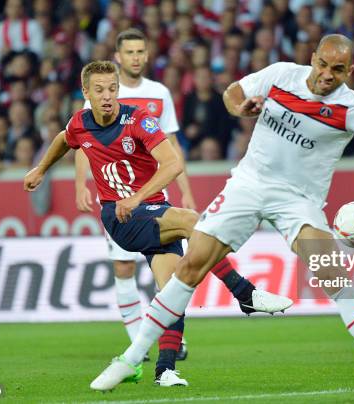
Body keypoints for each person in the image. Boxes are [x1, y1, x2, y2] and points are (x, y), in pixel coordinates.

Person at [90, 34, 354, 393]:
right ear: (313, 58)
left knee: (331, 271)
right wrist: (239, 106)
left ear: (348, 72)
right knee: (192, 266)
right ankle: (130, 358)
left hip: (299, 200)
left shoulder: (353, 107)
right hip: (249, 184)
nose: (326, 74)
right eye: (322, 64)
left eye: (337, 70)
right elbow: (232, 91)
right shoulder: (281, 75)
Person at [23, 60, 292, 387]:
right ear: (86, 93)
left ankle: (165, 370)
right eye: (99, 90)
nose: (107, 96)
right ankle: (244, 292)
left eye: (112, 89)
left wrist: (138, 197)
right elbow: (64, 139)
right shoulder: (80, 123)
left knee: (175, 291)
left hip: (150, 209)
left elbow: (173, 164)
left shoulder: (137, 120)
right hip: (120, 218)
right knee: (193, 222)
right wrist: (40, 169)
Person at [75, 28, 278, 374]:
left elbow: (170, 146)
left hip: (153, 196)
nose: (137, 57)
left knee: (170, 283)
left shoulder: (158, 94)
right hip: (118, 200)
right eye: (130, 52)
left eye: (142, 50)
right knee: (124, 268)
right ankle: (139, 345)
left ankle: (164, 361)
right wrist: (82, 183)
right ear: (119, 57)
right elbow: (82, 139)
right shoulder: (101, 90)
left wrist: (183, 188)